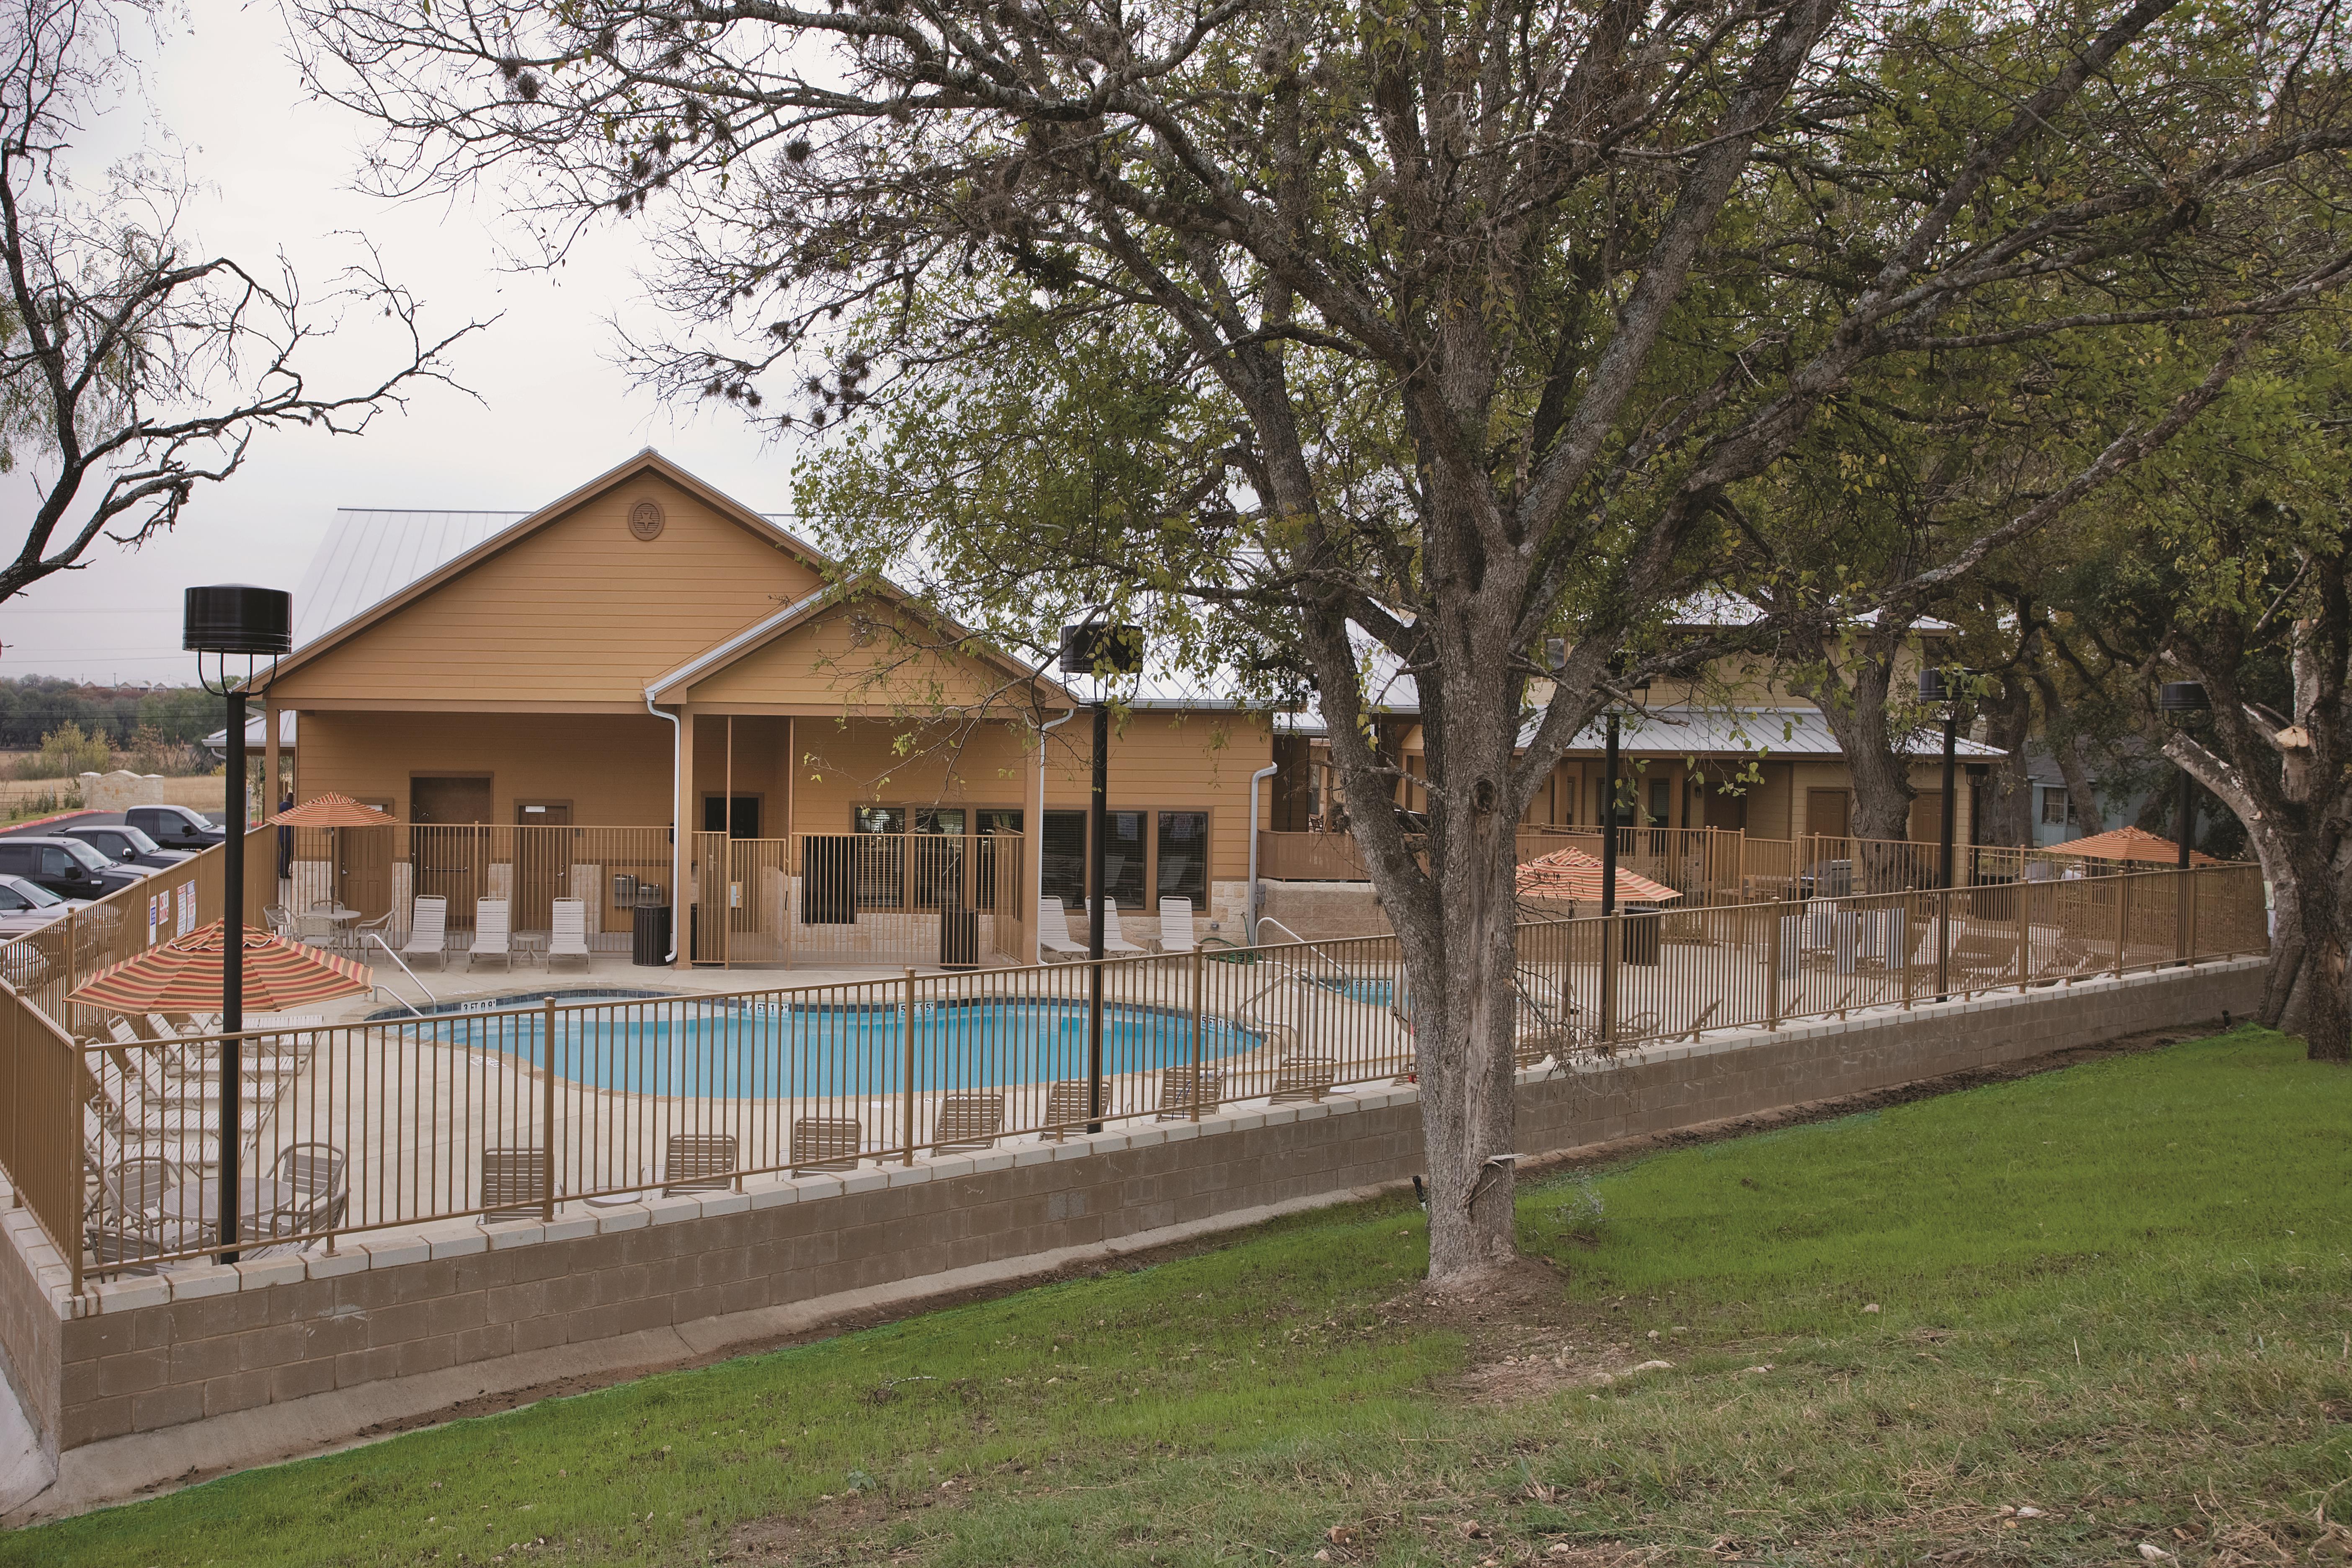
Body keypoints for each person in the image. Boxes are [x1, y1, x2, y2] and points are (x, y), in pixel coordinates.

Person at [276, 792, 294, 879]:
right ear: (291, 799)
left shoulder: (280, 806)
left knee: (283, 853)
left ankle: (281, 871)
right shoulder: (292, 808)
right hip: (289, 835)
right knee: (287, 854)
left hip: (281, 835)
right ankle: (285, 873)